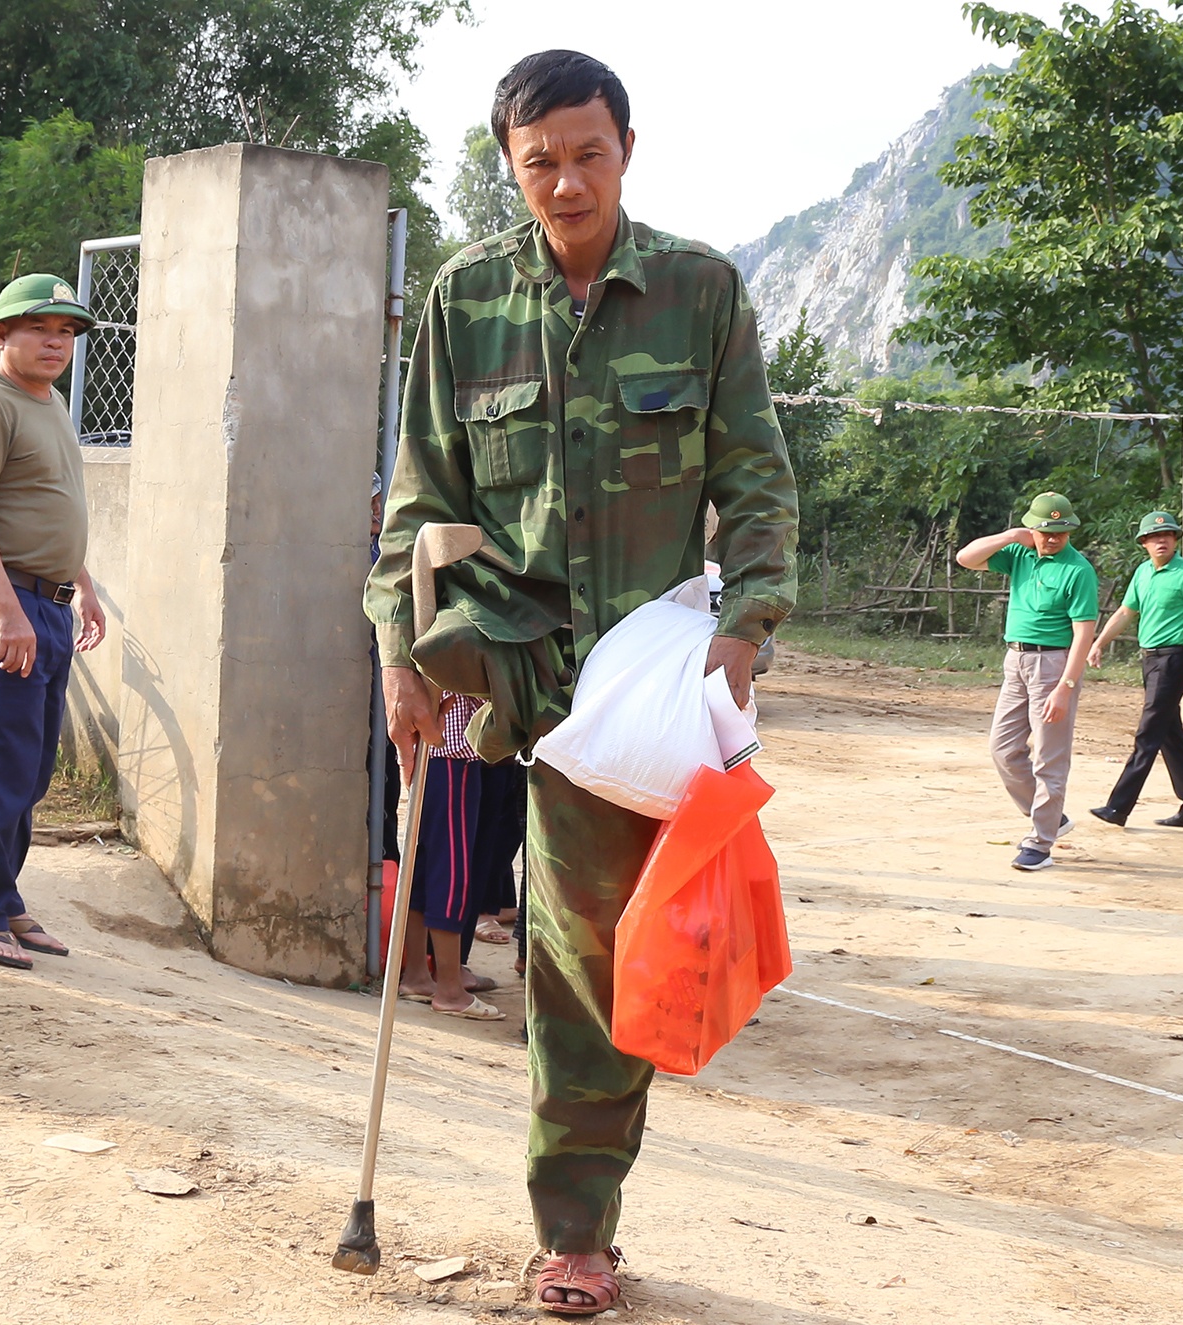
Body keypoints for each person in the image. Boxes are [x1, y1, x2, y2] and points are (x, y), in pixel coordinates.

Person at [365, 50, 798, 1316]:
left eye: (586, 153)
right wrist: (400, 651)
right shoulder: (463, 299)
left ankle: (578, 1224)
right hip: (507, 648)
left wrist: (746, 622)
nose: (565, 181)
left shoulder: (699, 291)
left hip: (639, 675)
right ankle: (574, 1224)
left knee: (585, 948)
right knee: (552, 927)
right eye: (537, 159)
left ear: (626, 147)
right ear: (508, 163)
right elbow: (421, 498)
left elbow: (755, 475)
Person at [0, 273, 108, 969]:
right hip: (2, 605)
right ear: (1, 334)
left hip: (51, 602)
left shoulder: (52, 401)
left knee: (31, 769)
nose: (56, 341)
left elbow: (48, 502)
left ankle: (5, 900)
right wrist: (8, 611)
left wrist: (83, 585)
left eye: (67, 330)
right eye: (41, 327)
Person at [956, 492, 1099, 872]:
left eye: (1061, 532)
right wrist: (1010, 535)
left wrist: (1066, 687)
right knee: (1002, 749)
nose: (1052, 539)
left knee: (1049, 756)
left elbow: (1084, 632)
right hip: (1015, 659)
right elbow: (965, 558)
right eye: (1045, 531)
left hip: (1053, 663)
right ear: (1032, 528)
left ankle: (1041, 841)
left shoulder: (1078, 570)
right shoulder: (1020, 555)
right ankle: (1053, 817)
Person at [394, 690, 527, 1018]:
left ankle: (418, 975)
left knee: (426, 864)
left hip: (437, 749)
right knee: (450, 869)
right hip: (453, 749)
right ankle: (450, 988)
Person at [1087, 511, 1183, 828]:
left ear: (1175, 540)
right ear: (1144, 542)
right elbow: (1126, 612)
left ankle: (1118, 807)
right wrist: (1098, 642)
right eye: (1155, 537)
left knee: (1147, 735)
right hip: (1151, 660)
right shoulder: (1143, 573)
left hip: (1174, 660)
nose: (1162, 541)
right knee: (1171, 738)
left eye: (1168, 536)